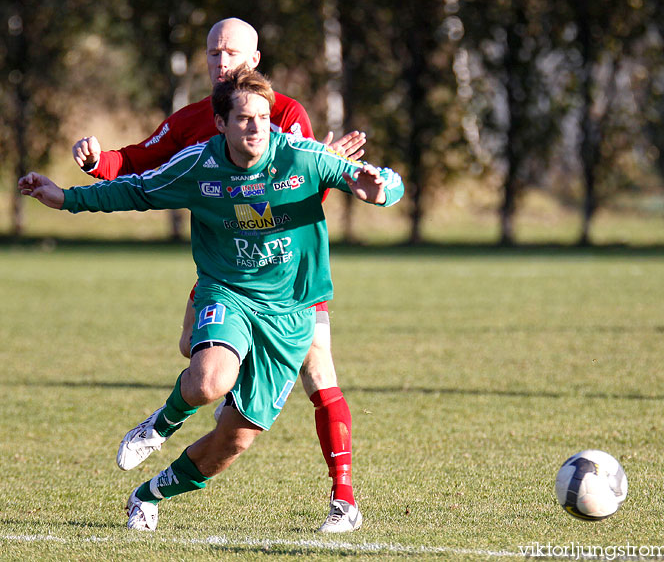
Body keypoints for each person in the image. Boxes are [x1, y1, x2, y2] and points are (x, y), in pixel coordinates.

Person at [19, 67, 404, 532]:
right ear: (220, 123)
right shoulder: (198, 165)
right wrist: (66, 198)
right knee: (207, 382)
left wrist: (381, 190)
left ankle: (150, 493)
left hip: (291, 311)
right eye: (244, 118)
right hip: (229, 292)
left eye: (263, 117)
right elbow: (138, 189)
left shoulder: (302, 157)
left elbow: (380, 180)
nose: (256, 127)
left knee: (234, 440)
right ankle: (160, 424)